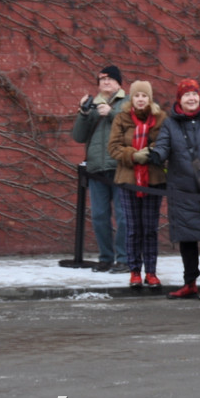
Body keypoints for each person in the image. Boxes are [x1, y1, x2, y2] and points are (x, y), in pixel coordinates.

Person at [148, 79, 200, 300]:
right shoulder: (170, 124)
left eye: (194, 94)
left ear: (199, 97)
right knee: (187, 238)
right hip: (182, 189)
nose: (191, 98)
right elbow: (163, 145)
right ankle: (189, 283)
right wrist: (156, 155)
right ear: (179, 99)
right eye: (186, 95)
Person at [108, 80, 167, 288]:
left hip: (153, 181)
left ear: (149, 98)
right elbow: (113, 147)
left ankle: (150, 271)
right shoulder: (121, 118)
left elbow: (164, 142)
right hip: (128, 180)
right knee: (133, 228)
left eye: (144, 96)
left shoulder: (160, 118)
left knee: (150, 228)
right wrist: (133, 155)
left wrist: (149, 153)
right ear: (131, 98)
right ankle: (134, 271)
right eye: (137, 96)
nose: (140, 99)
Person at [71, 65, 129, 273]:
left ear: (118, 82)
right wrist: (84, 113)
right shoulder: (93, 104)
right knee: (99, 216)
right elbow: (78, 136)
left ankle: (124, 259)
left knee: (123, 216)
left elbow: (134, 127)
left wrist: (112, 113)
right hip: (97, 169)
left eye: (109, 78)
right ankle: (106, 258)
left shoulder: (128, 101)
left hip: (121, 167)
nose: (105, 82)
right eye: (101, 79)